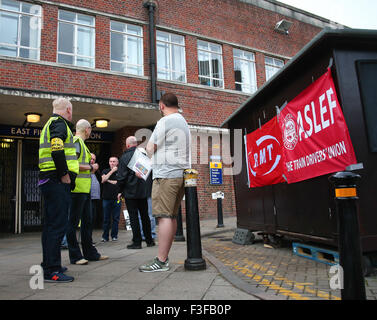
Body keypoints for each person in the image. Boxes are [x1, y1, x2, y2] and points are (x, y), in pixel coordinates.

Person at [139, 93, 190, 272]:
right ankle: (163, 258)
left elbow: (150, 147)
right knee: (171, 215)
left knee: (163, 216)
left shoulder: (165, 121)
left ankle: (160, 261)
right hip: (179, 174)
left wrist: (144, 162)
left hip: (166, 174)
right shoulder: (183, 122)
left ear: (161, 105)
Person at [38, 97, 78, 283]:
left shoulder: (50, 123)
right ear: (68, 110)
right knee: (57, 225)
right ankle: (52, 270)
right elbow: (56, 149)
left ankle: (48, 264)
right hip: (56, 180)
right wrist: (64, 174)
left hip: (48, 179)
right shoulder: (60, 124)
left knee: (50, 226)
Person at [66, 119, 108, 265]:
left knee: (87, 223)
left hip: (84, 189)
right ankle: (75, 256)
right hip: (77, 189)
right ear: (87, 129)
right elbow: (72, 163)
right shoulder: (77, 141)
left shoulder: (81, 143)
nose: (91, 132)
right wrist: (91, 168)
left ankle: (90, 254)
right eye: (91, 129)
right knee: (72, 223)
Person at [117, 136, 154, 249]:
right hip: (143, 191)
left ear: (128, 145)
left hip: (130, 192)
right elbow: (147, 171)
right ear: (136, 144)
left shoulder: (124, 157)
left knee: (133, 217)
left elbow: (121, 177)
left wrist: (120, 190)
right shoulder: (142, 155)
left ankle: (137, 242)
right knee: (145, 216)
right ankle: (149, 240)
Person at [101, 156, 121, 242]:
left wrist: (108, 180)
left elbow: (120, 183)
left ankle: (114, 236)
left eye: (114, 161)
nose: (112, 163)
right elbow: (103, 180)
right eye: (110, 161)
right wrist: (112, 171)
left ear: (117, 163)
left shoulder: (120, 172)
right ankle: (105, 237)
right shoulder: (105, 171)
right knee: (106, 218)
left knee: (116, 218)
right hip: (106, 198)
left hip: (117, 198)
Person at [90, 153, 101, 242]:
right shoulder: (85, 169)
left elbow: (101, 180)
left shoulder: (96, 171)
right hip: (87, 198)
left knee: (92, 219)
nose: (92, 160)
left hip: (95, 198)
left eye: (94, 159)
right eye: (91, 159)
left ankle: (89, 238)